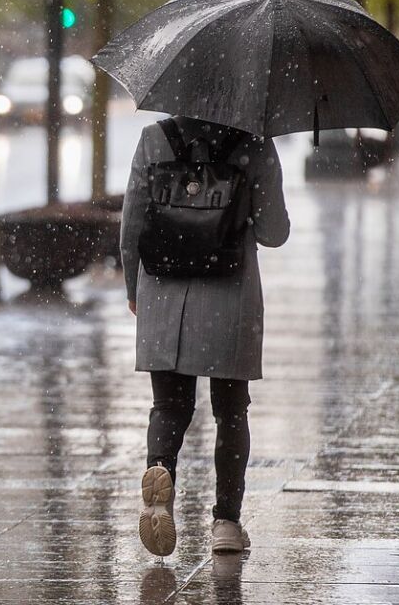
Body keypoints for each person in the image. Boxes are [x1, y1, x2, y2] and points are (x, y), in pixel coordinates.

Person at [121, 116, 289, 557]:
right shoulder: (254, 144)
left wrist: (133, 289)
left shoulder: (154, 139)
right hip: (228, 294)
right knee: (231, 411)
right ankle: (226, 523)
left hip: (163, 290)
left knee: (169, 406)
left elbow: (131, 223)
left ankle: (160, 470)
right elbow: (274, 233)